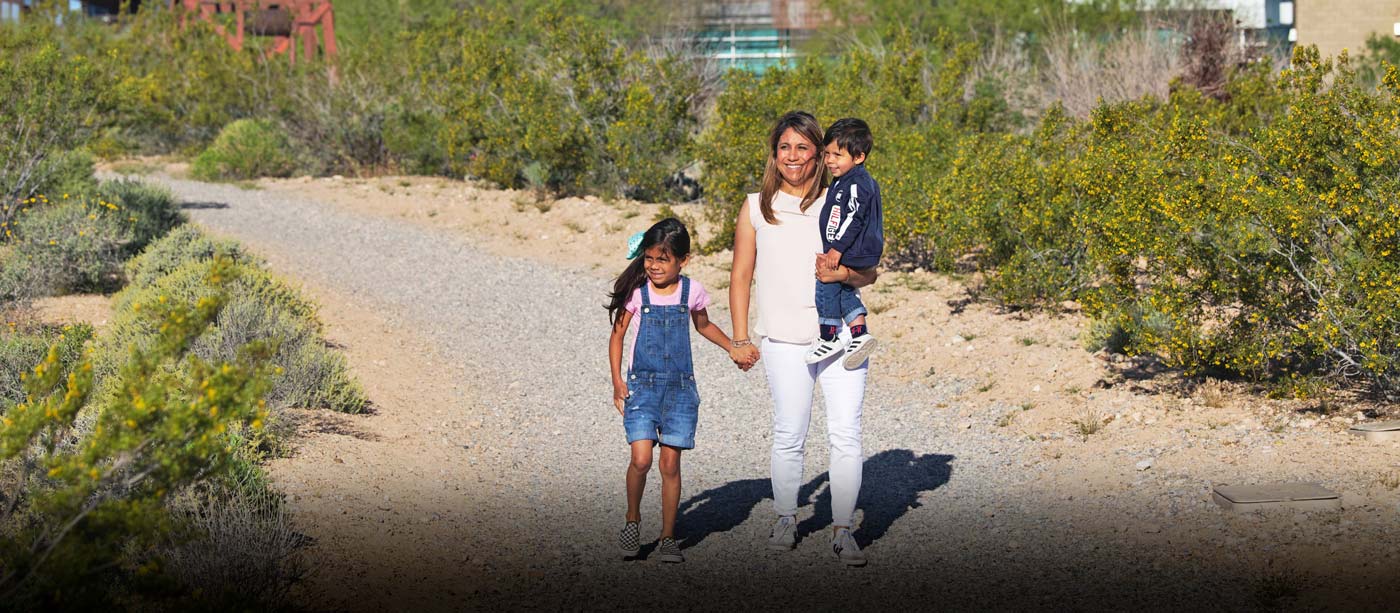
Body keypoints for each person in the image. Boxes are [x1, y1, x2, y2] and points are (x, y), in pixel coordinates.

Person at [729, 111, 879, 567]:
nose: (792, 157)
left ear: (820, 154)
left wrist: (843, 272)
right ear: (774, 154)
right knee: (789, 434)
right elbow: (740, 277)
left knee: (846, 435)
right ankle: (786, 517)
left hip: (839, 340)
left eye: (803, 148)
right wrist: (739, 337)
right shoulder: (756, 206)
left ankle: (841, 530)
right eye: (784, 148)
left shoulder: (840, 200)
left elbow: (868, 272)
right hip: (783, 340)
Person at [605, 218, 745, 564]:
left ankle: (668, 536)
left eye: (662, 260)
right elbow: (617, 336)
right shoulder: (638, 294)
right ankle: (632, 520)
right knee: (641, 459)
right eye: (649, 258)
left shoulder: (691, 292)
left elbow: (704, 325)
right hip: (642, 389)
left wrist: (733, 347)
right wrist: (617, 382)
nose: (654, 266)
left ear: (683, 260)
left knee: (670, 464)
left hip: (680, 391)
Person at [807, 117, 884, 368]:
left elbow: (854, 216)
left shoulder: (857, 183)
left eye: (837, 155)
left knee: (827, 278)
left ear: (859, 157)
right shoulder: (846, 180)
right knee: (843, 288)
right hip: (852, 247)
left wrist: (837, 249)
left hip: (855, 248)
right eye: (827, 154)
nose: (829, 160)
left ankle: (828, 335)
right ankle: (859, 333)